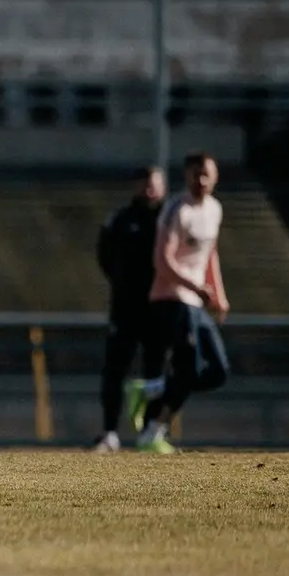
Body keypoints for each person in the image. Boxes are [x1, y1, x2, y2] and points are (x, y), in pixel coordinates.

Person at [136, 152, 231, 455]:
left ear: (215, 177)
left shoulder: (215, 210)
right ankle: (153, 432)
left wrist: (219, 293)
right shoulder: (177, 209)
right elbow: (161, 261)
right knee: (188, 369)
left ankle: (149, 390)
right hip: (172, 299)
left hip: (196, 301)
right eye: (195, 174)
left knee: (218, 370)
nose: (200, 180)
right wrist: (195, 287)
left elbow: (210, 255)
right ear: (186, 176)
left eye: (206, 174)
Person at [91, 165, 167, 453]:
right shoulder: (120, 220)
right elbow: (105, 255)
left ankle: (151, 431)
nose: (149, 190)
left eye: (154, 184)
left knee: (156, 370)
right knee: (115, 369)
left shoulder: (168, 219)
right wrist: (124, 285)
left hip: (159, 308)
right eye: (144, 184)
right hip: (125, 309)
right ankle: (110, 431)